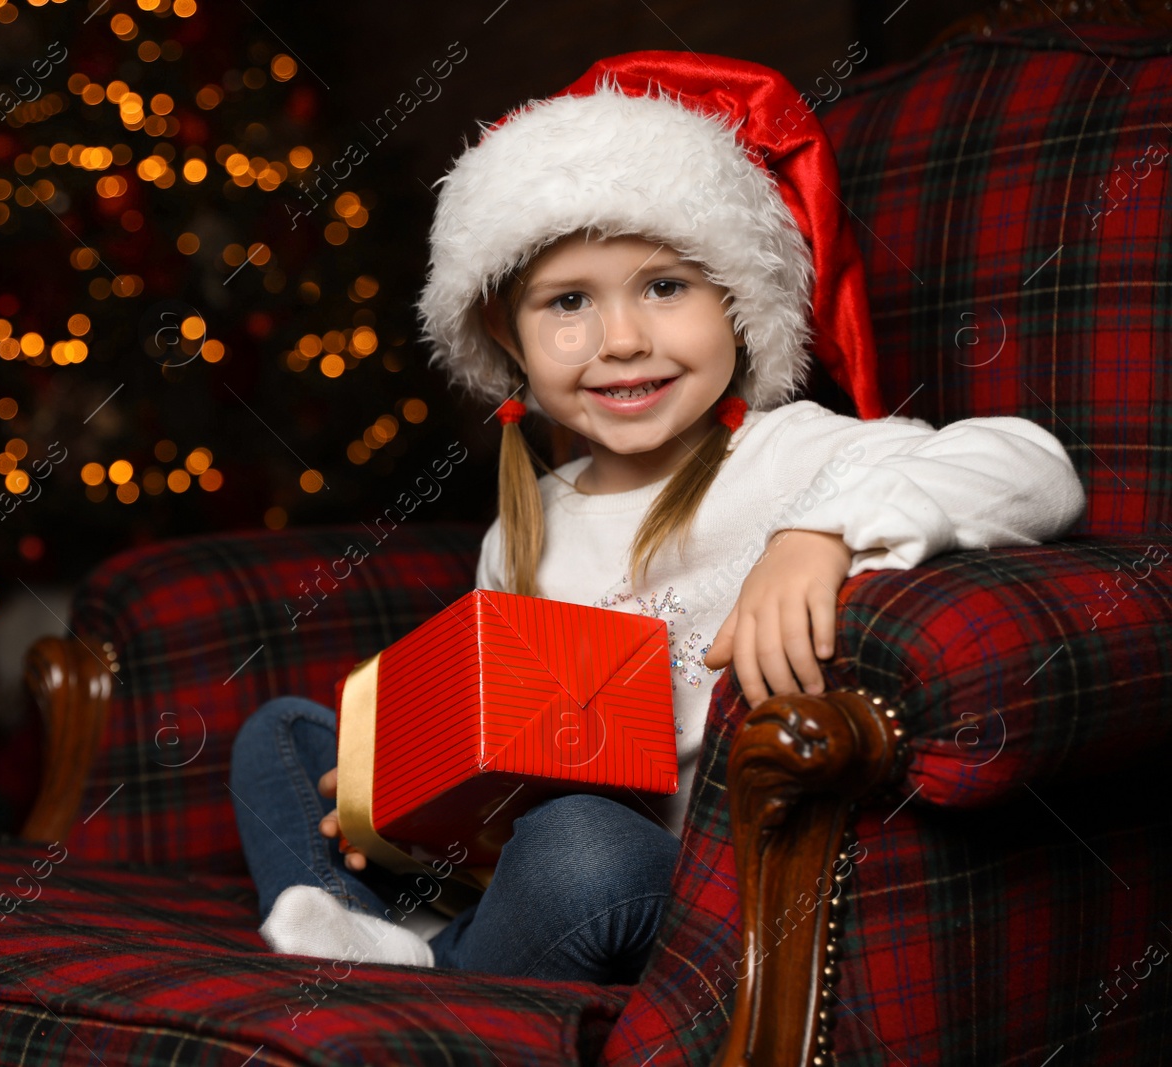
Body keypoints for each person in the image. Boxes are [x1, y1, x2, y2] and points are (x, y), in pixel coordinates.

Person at [228, 50, 1086, 985]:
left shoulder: (799, 454)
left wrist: (823, 533)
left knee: (584, 845)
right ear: (510, 341)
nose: (623, 340)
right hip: (523, 867)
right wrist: (402, 815)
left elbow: (1036, 469)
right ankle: (378, 928)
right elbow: (517, 768)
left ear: (736, 304)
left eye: (665, 287)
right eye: (568, 303)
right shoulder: (522, 531)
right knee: (283, 735)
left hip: (674, 884)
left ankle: (419, 972)